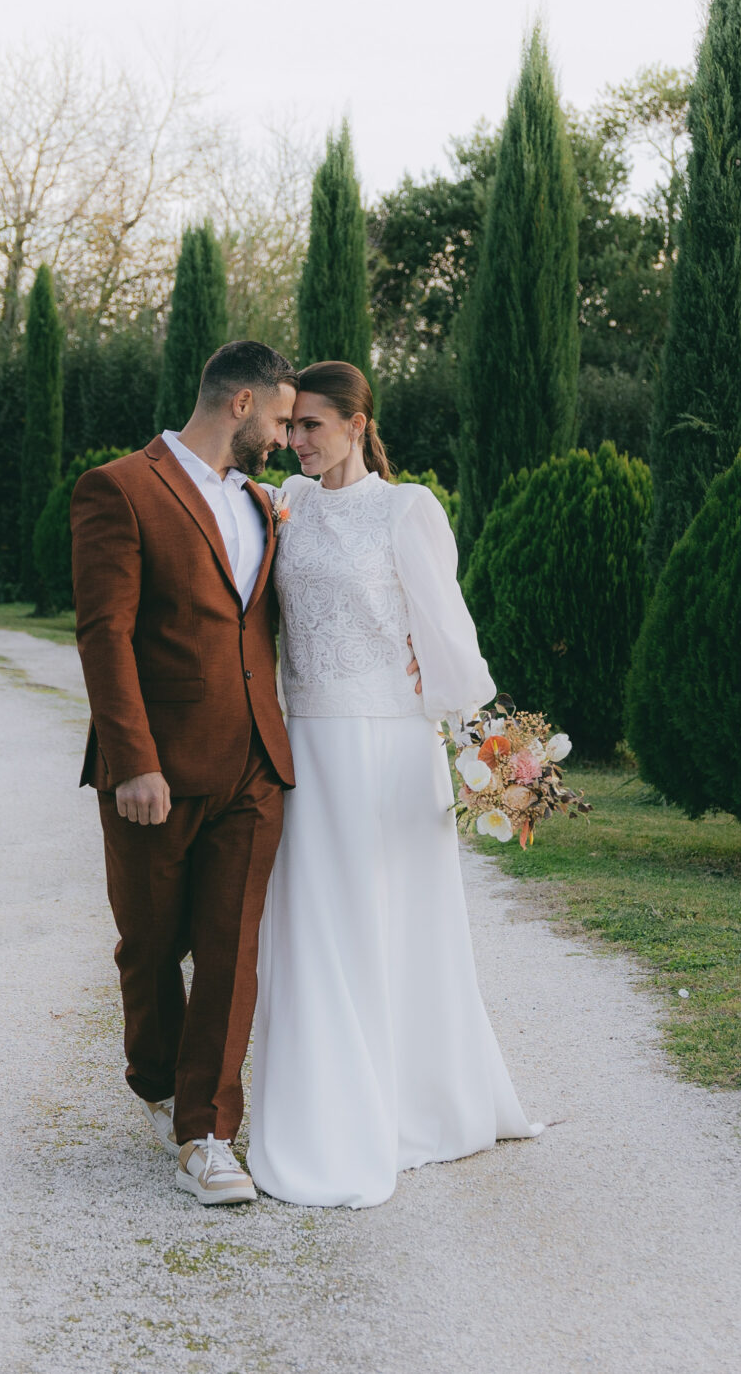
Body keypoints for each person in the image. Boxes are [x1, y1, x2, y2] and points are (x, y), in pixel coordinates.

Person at [245, 359, 540, 1208]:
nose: (294, 440)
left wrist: (487, 748)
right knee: (316, 922)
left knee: (397, 919)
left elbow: (446, 633)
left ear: (357, 424)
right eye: (290, 426)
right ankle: (327, 1106)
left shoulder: (408, 509)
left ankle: (419, 1103)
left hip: (390, 747)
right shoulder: (282, 509)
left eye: (311, 426)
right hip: (307, 742)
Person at [69, 340, 300, 1207]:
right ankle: (156, 1079)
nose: (281, 439)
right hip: (156, 773)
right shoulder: (119, 488)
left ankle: (207, 1133)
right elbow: (105, 633)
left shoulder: (266, 505)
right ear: (239, 404)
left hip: (255, 768)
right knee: (152, 944)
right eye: (278, 419)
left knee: (234, 952)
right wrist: (133, 762)